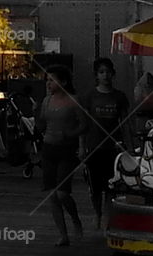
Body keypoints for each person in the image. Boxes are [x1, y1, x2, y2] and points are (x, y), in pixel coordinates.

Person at [37, 65, 86, 246]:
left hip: (67, 150)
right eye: (47, 80)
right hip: (49, 148)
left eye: (52, 80)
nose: (49, 83)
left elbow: (84, 125)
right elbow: (42, 123)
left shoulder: (74, 100)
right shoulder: (46, 101)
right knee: (52, 195)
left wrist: (74, 138)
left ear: (63, 81)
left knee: (62, 193)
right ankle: (63, 234)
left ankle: (75, 219)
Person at [80, 58, 131, 229]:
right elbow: (84, 124)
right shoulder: (89, 97)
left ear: (113, 74)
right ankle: (97, 213)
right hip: (94, 146)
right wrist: (81, 146)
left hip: (113, 148)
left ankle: (107, 218)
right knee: (95, 187)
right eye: (102, 72)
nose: (105, 75)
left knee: (111, 185)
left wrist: (129, 146)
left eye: (108, 72)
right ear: (96, 75)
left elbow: (125, 122)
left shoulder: (119, 97)